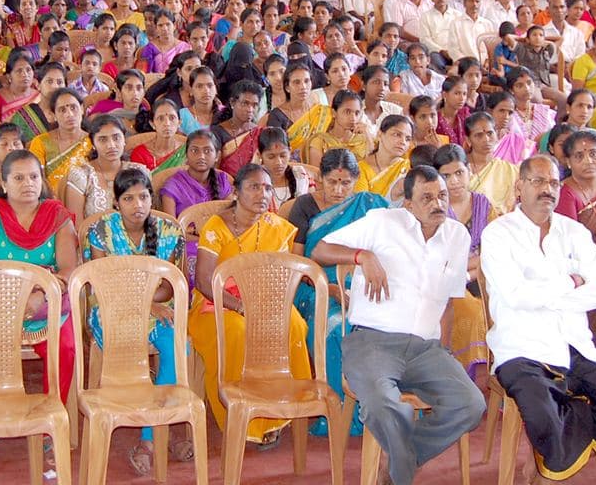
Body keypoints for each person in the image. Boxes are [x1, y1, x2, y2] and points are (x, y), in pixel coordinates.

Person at [482, 154, 596, 484]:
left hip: (576, 345)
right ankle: (556, 462)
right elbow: (516, 295)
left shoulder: (574, 232)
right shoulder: (498, 234)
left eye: (555, 183)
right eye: (539, 182)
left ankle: (550, 470)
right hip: (522, 349)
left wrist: (543, 292)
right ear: (519, 187)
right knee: (544, 417)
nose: (548, 189)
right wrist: (571, 282)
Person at [312, 166, 485, 485]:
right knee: (380, 403)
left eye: (443, 196)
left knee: (471, 404)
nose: (439, 204)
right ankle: (402, 468)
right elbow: (321, 249)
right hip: (374, 343)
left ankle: (402, 459)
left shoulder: (457, 236)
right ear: (408, 204)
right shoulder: (383, 222)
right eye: (428, 198)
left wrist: (444, 351)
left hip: (426, 349)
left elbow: (448, 301)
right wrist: (362, 256)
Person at [0, 150, 78, 471]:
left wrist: (40, 295)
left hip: (46, 300)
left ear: (42, 181)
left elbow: (69, 270)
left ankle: (48, 421)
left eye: (33, 177)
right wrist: (19, 297)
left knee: (66, 346)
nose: (27, 184)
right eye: (18, 177)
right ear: (4, 182)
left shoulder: (57, 215)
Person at [187, 164, 310, 445]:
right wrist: (240, 306)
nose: (262, 194)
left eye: (267, 188)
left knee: (294, 324)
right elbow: (205, 282)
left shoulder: (275, 227)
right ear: (237, 191)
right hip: (217, 301)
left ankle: (278, 410)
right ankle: (240, 412)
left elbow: (281, 277)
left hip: (265, 299)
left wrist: (264, 306)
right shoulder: (216, 227)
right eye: (254, 187)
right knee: (237, 332)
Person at [81, 168, 194, 475]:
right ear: (116, 203)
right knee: (129, 351)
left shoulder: (168, 232)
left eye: (143, 196)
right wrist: (147, 302)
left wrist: (149, 303)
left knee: (178, 347)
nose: (137, 205)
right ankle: (161, 430)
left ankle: (148, 437)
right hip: (109, 311)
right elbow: (103, 284)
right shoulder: (102, 230)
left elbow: (170, 286)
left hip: (159, 310)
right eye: (128, 198)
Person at [288, 150, 387, 437]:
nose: (338, 190)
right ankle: (337, 410)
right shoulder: (305, 207)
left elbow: (385, 250)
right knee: (335, 328)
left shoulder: (369, 205)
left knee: (381, 327)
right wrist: (327, 287)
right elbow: (299, 264)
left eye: (345, 183)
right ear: (319, 179)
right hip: (314, 286)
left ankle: (374, 407)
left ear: (356, 181)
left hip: (362, 285)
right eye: (332, 182)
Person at [434, 144, 498, 377]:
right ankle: (467, 382)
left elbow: (494, 252)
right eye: (446, 176)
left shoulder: (484, 205)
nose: (454, 182)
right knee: (473, 311)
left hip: (482, 277)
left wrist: (469, 272)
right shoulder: (434, 209)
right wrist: (468, 266)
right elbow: (441, 260)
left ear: (469, 170)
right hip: (446, 283)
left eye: (459, 173)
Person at [28, 87, 92, 197]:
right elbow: (37, 180)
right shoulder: (40, 142)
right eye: (62, 110)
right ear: (53, 116)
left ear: (82, 109)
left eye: (73, 108)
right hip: (51, 204)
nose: (69, 114)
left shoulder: (94, 141)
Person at [159, 130, 233, 217]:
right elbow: (171, 228)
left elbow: (232, 218)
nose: (201, 156)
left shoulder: (222, 180)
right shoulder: (173, 186)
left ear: (217, 156)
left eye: (207, 151)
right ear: (186, 155)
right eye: (194, 150)